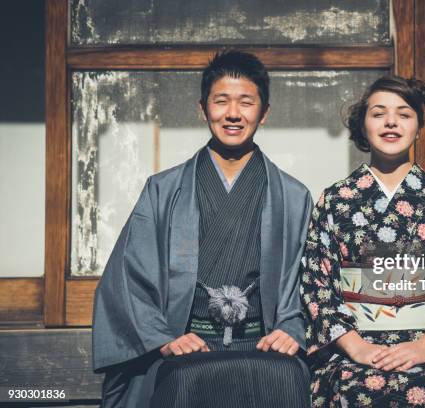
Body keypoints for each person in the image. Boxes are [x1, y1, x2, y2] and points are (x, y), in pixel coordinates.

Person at [92, 50, 312, 407]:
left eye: (246, 102)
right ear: (202, 108)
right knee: (182, 376)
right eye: (221, 101)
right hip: (186, 340)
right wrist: (162, 338)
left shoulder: (293, 195)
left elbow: (311, 281)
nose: (233, 114)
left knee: (286, 377)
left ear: (265, 112)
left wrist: (292, 328)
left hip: (262, 341)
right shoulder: (163, 190)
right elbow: (128, 278)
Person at [300, 75, 425, 407]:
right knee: (356, 389)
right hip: (355, 347)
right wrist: (358, 348)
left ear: (419, 127)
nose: (391, 121)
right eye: (378, 113)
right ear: (362, 126)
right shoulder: (335, 200)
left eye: (404, 114)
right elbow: (316, 283)